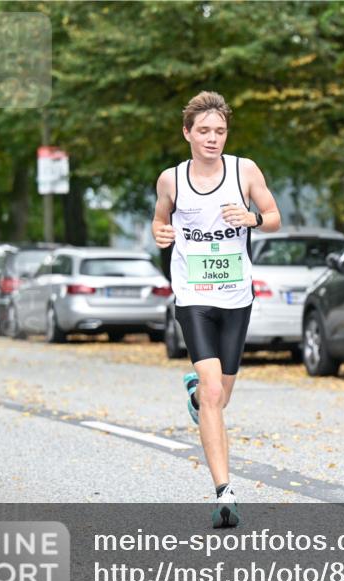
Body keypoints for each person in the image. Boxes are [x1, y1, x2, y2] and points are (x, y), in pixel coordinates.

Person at [152, 91, 281, 527]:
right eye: (204, 131)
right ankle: (225, 492)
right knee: (213, 395)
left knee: (219, 397)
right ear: (187, 133)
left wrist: (253, 220)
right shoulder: (171, 179)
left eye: (220, 131)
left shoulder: (244, 170)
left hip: (235, 295)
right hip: (193, 294)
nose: (212, 138)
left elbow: (274, 215)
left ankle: (195, 393)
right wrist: (161, 234)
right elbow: (159, 218)